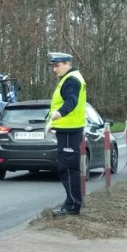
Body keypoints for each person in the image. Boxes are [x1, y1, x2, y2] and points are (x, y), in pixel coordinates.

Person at [46, 52, 86, 216]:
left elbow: (71, 101)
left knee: (68, 169)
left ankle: (73, 206)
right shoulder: (69, 79)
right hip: (67, 130)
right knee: (66, 168)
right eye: (53, 66)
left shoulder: (71, 80)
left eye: (57, 65)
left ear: (67, 64)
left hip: (70, 130)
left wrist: (59, 113)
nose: (55, 69)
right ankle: (71, 203)